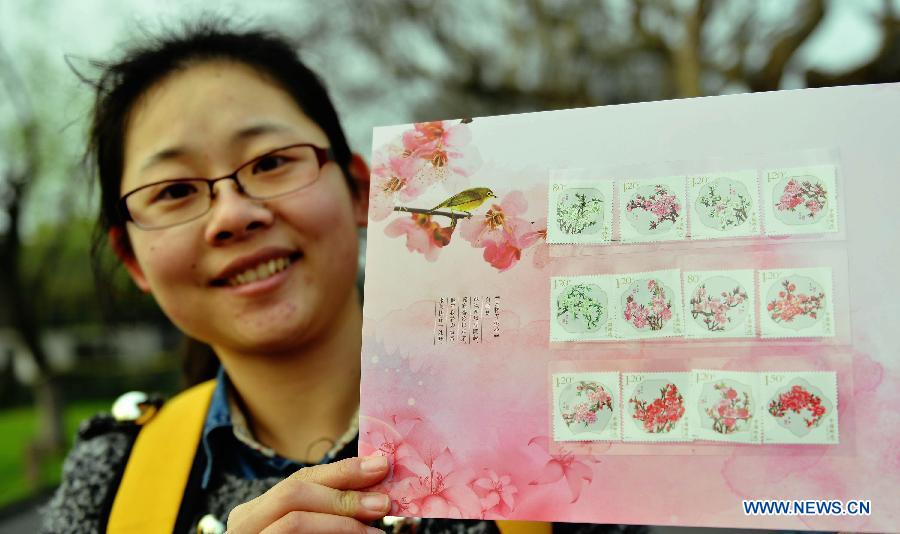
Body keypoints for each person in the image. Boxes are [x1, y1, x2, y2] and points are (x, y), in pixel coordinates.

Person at [40, 20, 643, 534]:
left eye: (271, 162)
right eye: (174, 191)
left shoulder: (555, 433)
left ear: (361, 189)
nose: (233, 214)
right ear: (131, 258)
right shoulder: (109, 483)